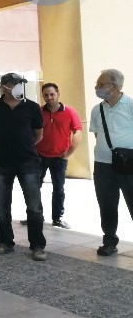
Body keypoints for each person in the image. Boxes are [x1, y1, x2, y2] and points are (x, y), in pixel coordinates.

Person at [0, 72, 47, 261]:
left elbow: (38, 134)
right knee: (2, 206)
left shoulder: (32, 107)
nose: (18, 86)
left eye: (20, 83)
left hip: (28, 161)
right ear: (4, 86)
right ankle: (5, 242)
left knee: (34, 206)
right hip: (2, 162)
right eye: (13, 83)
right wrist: (5, 146)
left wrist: (24, 146)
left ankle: (37, 245)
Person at [21, 83, 82, 229]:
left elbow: (78, 132)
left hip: (60, 158)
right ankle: (36, 216)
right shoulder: (38, 111)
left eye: (52, 94)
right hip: (39, 156)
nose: (49, 98)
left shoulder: (70, 112)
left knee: (59, 188)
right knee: (34, 187)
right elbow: (29, 131)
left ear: (58, 94)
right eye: (46, 95)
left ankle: (58, 218)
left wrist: (69, 153)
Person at [89, 69, 133, 257]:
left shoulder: (130, 105)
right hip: (103, 165)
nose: (96, 87)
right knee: (106, 205)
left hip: (129, 164)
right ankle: (109, 241)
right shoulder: (96, 109)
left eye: (101, 84)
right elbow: (97, 134)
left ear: (114, 87)